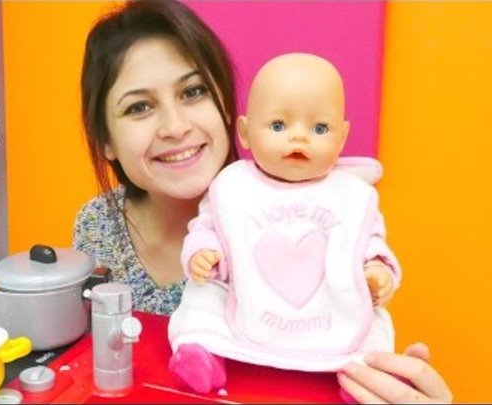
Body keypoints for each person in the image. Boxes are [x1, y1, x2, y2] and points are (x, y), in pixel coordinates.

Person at [72, 1, 452, 403]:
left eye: (193, 91)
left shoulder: (327, 210)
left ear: (226, 104)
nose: (175, 126)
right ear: (106, 140)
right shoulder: (98, 226)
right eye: (139, 107)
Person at [169, 52, 400, 394]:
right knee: (201, 299)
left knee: (375, 327)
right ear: (245, 133)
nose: (299, 138)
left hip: (327, 306)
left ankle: (362, 381)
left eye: (320, 128)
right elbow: (206, 229)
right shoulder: (234, 186)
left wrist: (378, 270)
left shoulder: (351, 194)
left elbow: (370, 242)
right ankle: (203, 356)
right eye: (278, 126)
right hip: (244, 298)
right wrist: (205, 253)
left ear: (342, 138)